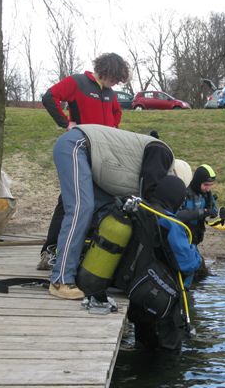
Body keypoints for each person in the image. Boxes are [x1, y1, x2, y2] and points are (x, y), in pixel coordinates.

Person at [48, 124, 180, 300]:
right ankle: (60, 279)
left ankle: (82, 269)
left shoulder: (156, 167)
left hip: (90, 159)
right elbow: (148, 199)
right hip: (77, 145)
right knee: (81, 209)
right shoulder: (163, 153)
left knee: (108, 213)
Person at [37, 53, 130, 271]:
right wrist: (66, 123)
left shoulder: (110, 93)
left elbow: (116, 113)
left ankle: (78, 250)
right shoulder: (77, 82)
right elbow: (49, 97)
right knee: (68, 202)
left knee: (90, 199)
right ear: (107, 71)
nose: (116, 83)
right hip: (77, 150)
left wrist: (113, 131)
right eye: (116, 78)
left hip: (102, 153)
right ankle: (49, 251)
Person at [127, 175, 202, 351]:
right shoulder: (171, 224)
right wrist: (196, 253)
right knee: (169, 351)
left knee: (143, 345)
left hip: (138, 289)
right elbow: (188, 263)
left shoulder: (143, 211)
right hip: (163, 299)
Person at [176, 164, 225, 276]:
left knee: (200, 270)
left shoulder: (207, 196)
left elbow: (210, 217)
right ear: (197, 181)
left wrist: (218, 215)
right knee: (193, 268)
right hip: (181, 239)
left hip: (194, 239)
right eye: (205, 185)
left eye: (210, 185)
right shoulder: (184, 194)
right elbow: (178, 215)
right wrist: (202, 212)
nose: (208, 188)